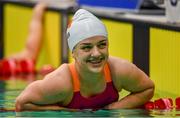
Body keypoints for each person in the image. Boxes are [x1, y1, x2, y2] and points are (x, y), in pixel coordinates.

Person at [15, 9, 154, 111]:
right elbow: (21, 104)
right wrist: (66, 112)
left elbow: (148, 88)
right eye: (86, 48)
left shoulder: (118, 70)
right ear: (73, 53)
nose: (96, 53)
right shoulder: (61, 82)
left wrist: (113, 108)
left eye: (102, 45)